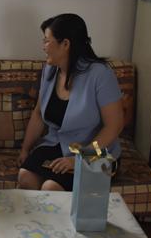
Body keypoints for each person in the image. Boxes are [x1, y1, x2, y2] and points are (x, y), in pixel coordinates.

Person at [17, 13, 124, 191]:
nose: (43, 47)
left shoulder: (101, 74)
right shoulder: (50, 69)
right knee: (25, 177)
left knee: (51, 188)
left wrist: (80, 158)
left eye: (47, 41)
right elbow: (38, 114)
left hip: (95, 152)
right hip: (57, 144)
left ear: (65, 44)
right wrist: (25, 149)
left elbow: (114, 126)